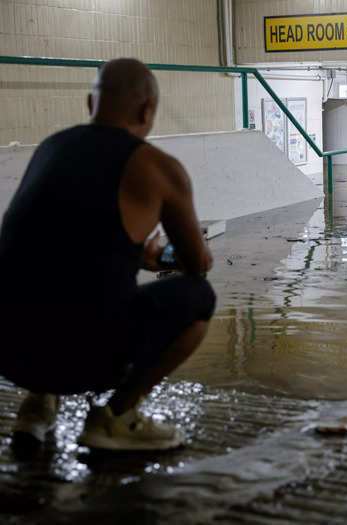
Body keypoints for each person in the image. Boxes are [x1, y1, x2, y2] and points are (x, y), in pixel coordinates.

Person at [0, 58, 215, 451]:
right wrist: (160, 257)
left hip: (10, 355)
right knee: (199, 297)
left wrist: (133, 256)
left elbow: (49, 244)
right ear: (147, 110)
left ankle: (37, 403)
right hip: (86, 359)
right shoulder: (157, 167)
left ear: (89, 103)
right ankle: (116, 417)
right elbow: (197, 264)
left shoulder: (50, 148)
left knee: (41, 282)